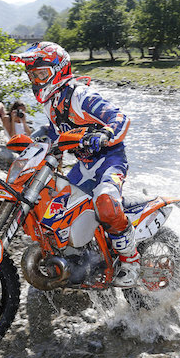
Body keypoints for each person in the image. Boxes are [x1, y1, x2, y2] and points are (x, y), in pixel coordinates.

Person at [10, 42, 139, 287]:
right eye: (32, 75)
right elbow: (54, 129)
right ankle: (82, 258)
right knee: (58, 212)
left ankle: (131, 260)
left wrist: (105, 134)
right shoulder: (51, 101)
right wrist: (34, 141)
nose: (36, 81)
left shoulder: (80, 95)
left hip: (108, 161)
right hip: (82, 165)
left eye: (41, 74)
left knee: (106, 202)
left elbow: (119, 117)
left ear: (58, 70)